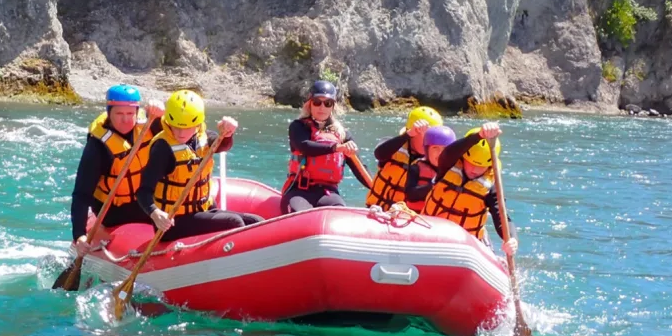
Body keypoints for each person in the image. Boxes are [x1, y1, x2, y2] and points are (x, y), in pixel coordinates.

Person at [137, 89, 264, 241]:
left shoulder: (204, 137)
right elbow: (143, 191)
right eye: (176, 126)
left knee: (256, 221)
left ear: (198, 124)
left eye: (187, 127)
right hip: (173, 222)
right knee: (234, 223)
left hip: (201, 210)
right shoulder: (163, 148)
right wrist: (155, 214)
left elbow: (222, 145)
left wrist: (228, 133)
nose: (181, 133)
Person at [70, 84, 165, 256]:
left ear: (137, 112)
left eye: (130, 114)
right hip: (115, 209)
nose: (126, 120)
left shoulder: (150, 125)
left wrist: (161, 115)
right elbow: (81, 194)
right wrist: (79, 235)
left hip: (147, 198)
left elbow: (182, 136)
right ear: (109, 113)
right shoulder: (98, 146)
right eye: (119, 114)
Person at [422, 122, 519, 256]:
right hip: (429, 230)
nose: (474, 170)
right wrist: (479, 136)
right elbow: (448, 152)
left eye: (481, 166)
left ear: (490, 165)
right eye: (471, 163)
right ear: (463, 158)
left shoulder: (491, 187)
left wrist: (512, 238)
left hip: (466, 242)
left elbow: (501, 218)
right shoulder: (447, 166)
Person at [280, 80, 370, 214]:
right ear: (310, 104)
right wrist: (336, 148)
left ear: (332, 106)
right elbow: (305, 147)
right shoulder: (298, 127)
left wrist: (377, 190)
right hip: (299, 190)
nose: (322, 107)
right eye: (317, 102)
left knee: (339, 215)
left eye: (327, 103)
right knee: (299, 213)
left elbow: (359, 169)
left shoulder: (343, 135)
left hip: (328, 193)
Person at [365, 106, 444, 212]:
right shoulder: (393, 146)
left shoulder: (435, 160)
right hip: (377, 210)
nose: (429, 142)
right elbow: (379, 154)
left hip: (407, 218)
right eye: (425, 137)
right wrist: (408, 134)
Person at [403, 125, 456, 212]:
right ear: (427, 150)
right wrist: (435, 186)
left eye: (445, 149)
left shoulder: (456, 173)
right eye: (435, 148)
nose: (440, 153)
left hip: (444, 221)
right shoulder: (416, 169)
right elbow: (410, 195)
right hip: (418, 218)